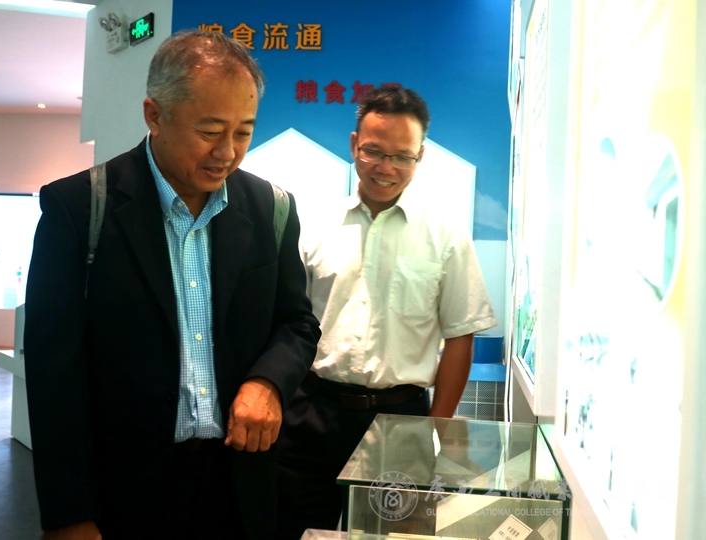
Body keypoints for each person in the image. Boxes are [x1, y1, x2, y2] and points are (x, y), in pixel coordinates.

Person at [24, 30, 320, 540]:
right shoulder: (81, 208)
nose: (227, 152)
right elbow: (55, 374)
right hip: (124, 493)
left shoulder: (270, 208)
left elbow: (296, 322)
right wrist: (68, 513)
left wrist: (268, 381)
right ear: (155, 115)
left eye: (244, 132)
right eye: (209, 130)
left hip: (237, 483)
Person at [276, 86, 497, 537]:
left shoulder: (445, 235)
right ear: (354, 144)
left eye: (402, 157)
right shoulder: (314, 225)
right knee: (297, 530)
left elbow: (460, 335)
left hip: (401, 422)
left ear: (420, 156)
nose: (386, 167)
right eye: (374, 152)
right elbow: (288, 323)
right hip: (312, 414)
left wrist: (439, 431)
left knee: (395, 536)